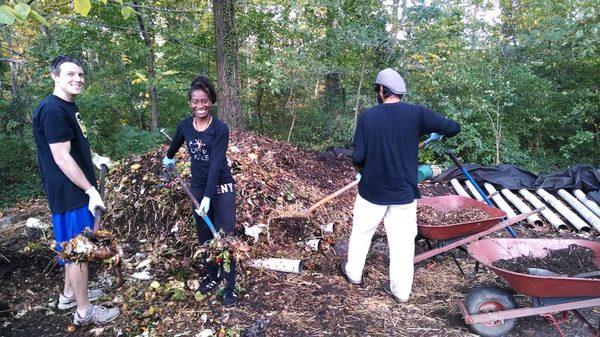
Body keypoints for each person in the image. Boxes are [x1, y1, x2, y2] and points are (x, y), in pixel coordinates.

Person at [340, 68, 461, 303]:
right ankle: (401, 292)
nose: (378, 92)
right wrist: (436, 130)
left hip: (372, 192)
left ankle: (354, 274)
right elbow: (453, 127)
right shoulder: (417, 115)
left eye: (378, 89)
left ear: (383, 90)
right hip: (403, 193)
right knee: (403, 243)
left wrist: (363, 171)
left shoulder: (368, 117)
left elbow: (357, 157)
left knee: (361, 234)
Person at [32, 55, 120, 325]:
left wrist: (94, 158)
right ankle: (84, 311)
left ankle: (69, 295)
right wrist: (91, 189)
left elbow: (74, 145)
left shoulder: (66, 106)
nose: (77, 79)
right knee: (78, 250)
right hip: (69, 192)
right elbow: (61, 157)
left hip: (69, 190)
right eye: (70, 74)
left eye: (81, 75)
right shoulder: (53, 110)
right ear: (54, 76)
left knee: (71, 245)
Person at [163, 76, 238, 307]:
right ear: (190, 103)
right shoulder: (185, 126)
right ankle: (212, 275)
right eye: (195, 101)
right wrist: (168, 159)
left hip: (222, 185)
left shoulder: (220, 129)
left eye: (204, 101)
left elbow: (216, 164)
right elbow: (174, 144)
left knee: (225, 236)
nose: (200, 106)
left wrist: (207, 196)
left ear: (211, 102)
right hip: (196, 186)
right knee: (205, 236)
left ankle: (230, 285)